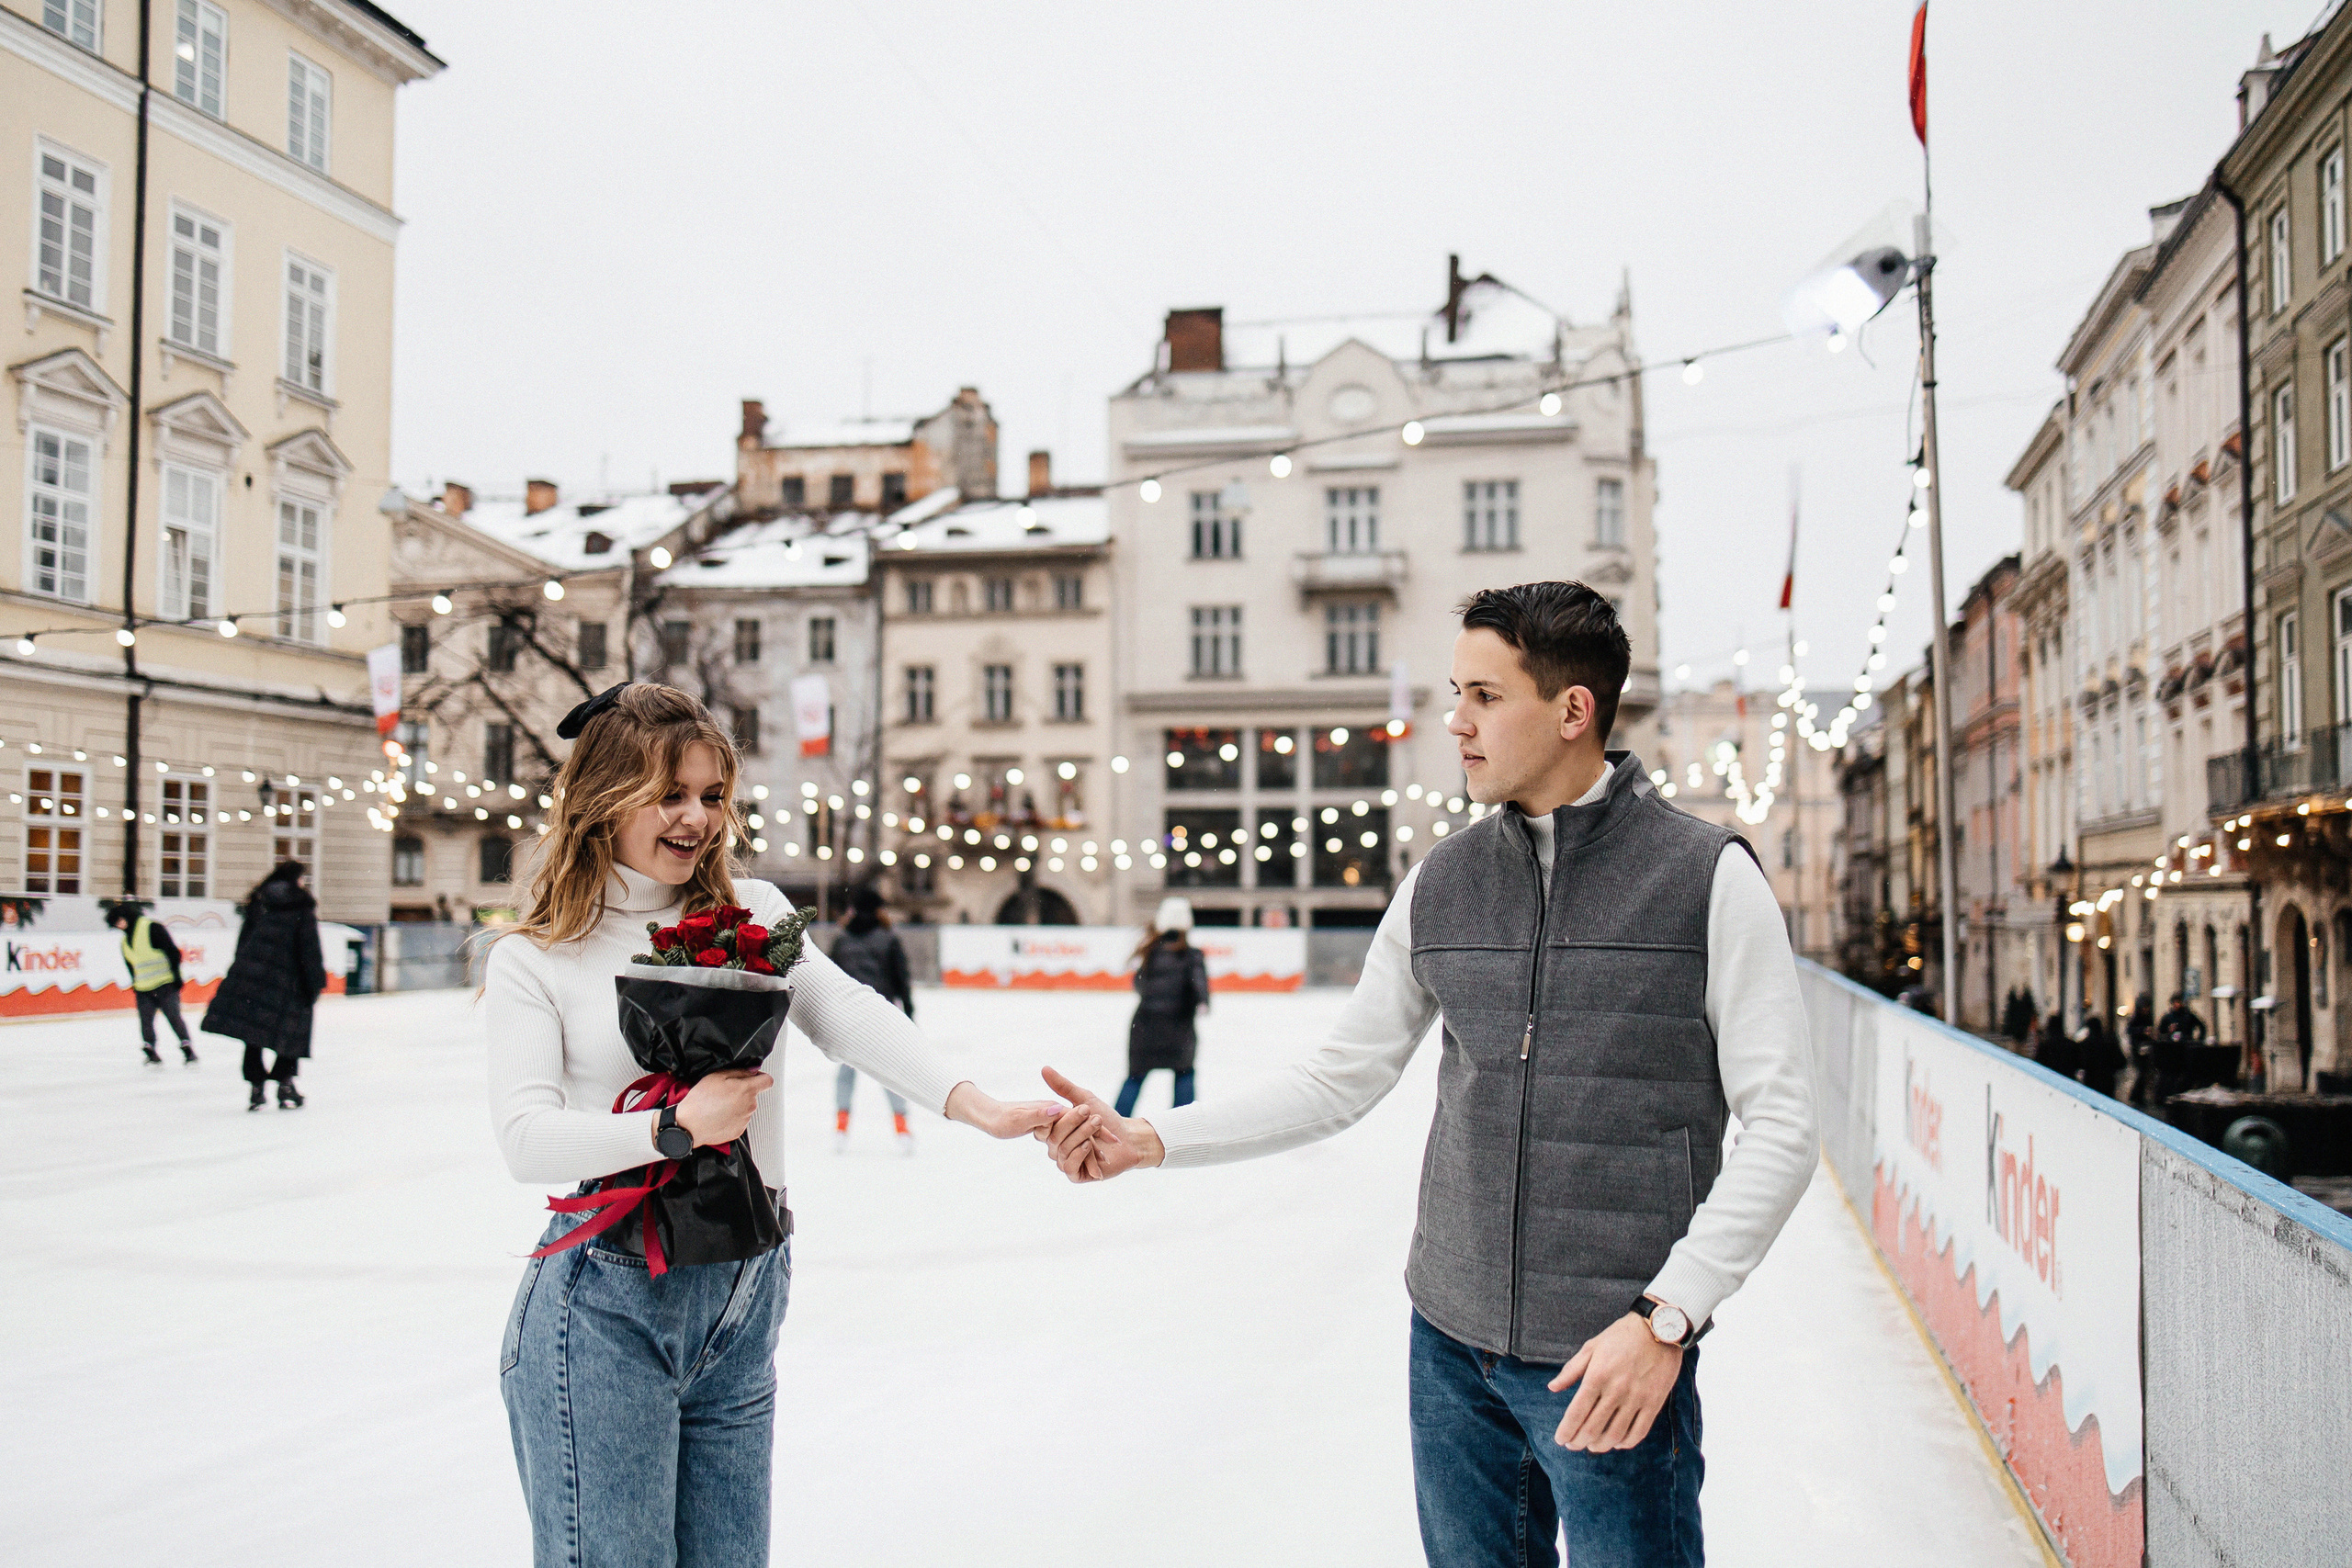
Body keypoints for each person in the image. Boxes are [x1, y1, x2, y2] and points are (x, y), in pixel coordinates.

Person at [1044, 583, 1817, 1567]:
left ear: (1573, 710)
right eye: (1458, 693)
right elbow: (1340, 1077)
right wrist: (1151, 1137)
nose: (1456, 721)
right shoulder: (1443, 881)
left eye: (1485, 697)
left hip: (1612, 1355)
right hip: (1451, 1351)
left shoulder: (1707, 878)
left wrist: (1666, 1317)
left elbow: (1784, 1126)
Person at [484, 682, 1058, 1568]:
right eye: (670, 793)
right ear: (604, 797)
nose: (697, 817)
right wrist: (674, 1125)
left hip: (746, 1284)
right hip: (606, 1301)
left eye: (712, 795)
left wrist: (972, 1103)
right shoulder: (537, 956)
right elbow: (526, 1137)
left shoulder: (753, 912)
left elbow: (846, 1011)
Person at [200, 862, 325, 1111]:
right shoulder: (300, 906)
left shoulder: (260, 902)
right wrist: (314, 982)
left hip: (254, 976)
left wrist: (244, 971)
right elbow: (308, 949)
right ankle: (285, 1083)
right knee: (293, 1030)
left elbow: (243, 942)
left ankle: (256, 1087)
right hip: (289, 980)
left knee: (254, 1031)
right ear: (296, 880)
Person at [830, 882, 916, 1154]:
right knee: (890, 1073)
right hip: (881, 1016)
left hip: (850, 1016)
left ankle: (841, 1128)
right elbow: (902, 979)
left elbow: (829, 980)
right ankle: (902, 1129)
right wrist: (909, 1014)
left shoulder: (842, 940)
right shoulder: (889, 939)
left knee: (846, 1072)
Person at [1115, 896, 1211, 1117]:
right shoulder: (1191, 955)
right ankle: (1182, 1123)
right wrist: (1202, 1002)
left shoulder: (1149, 952)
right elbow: (1199, 984)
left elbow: (1139, 985)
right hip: (1179, 1027)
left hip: (1145, 1026)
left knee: (1135, 1077)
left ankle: (1115, 1123)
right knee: (1184, 1073)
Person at [107, 902, 196, 1066]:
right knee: (146, 1020)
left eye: (119, 921)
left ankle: (186, 1045)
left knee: (173, 1016)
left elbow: (172, 952)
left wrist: (176, 977)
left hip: (165, 983)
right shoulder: (125, 942)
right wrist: (135, 983)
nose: (118, 926)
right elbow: (131, 966)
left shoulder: (152, 928)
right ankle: (150, 1047)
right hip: (143, 987)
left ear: (126, 917)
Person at [2154, 992, 2208, 1104]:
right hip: (2172, 1049)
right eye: (2176, 1002)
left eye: (2179, 1002)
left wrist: (2198, 1041)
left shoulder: (2188, 1016)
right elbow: (2160, 1032)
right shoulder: (2168, 1017)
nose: (2177, 1005)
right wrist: (2168, 1032)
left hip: (2185, 1048)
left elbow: (2202, 1026)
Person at [2077, 1014, 2126, 1099]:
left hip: (2090, 1081)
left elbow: (2080, 1063)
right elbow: (2121, 1062)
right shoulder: (2109, 1042)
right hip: (2107, 1082)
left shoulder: (2085, 1044)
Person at [2124, 996, 2156, 1105]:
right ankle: (2135, 1095)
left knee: (2145, 1073)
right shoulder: (2136, 1019)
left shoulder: (2148, 1018)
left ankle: (2138, 1096)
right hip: (2138, 1049)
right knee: (2142, 1072)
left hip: (2146, 1048)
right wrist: (2142, 1031)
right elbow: (2130, 1030)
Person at [2033, 1011, 2079, 1082]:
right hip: (2068, 1080)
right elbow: (2078, 1063)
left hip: (2050, 1080)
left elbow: (2038, 1063)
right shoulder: (2072, 1044)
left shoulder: (2045, 1045)